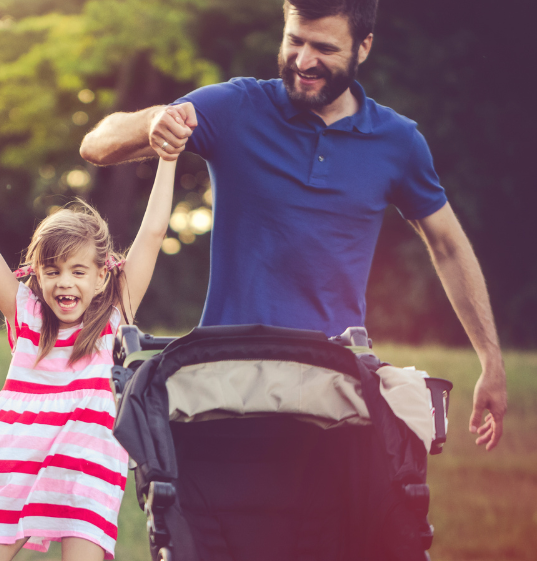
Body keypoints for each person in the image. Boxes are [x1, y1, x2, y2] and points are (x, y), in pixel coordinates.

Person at [79, 0, 507, 451]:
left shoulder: (397, 142)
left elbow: (448, 245)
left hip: (335, 391)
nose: (303, 61)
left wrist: (491, 362)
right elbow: (95, 145)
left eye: (323, 47)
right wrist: (153, 122)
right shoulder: (236, 107)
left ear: (363, 47)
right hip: (227, 385)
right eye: (294, 41)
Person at [0, 116, 182, 561]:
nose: (65, 283)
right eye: (53, 271)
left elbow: (153, 232)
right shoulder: (26, 312)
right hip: (16, 450)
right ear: (36, 273)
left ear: (102, 276)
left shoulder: (117, 312)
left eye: (79, 272)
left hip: (86, 454)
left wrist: (168, 157)